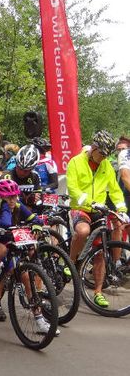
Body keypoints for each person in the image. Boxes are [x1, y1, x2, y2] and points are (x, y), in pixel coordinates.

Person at [0, 179, 57, 333]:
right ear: (0, 197)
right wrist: (5, 207)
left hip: (7, 246)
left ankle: (40, 320)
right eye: (8, 197)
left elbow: (33, 218)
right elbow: (5, 224)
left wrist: (36, 224)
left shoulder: (18, 205)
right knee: (2, 250)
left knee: (26, 280)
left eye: (14, 196)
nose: (12, 200)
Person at [66, 130, 128, 308]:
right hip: (80, 207)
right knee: (83, 231)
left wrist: (121, 208)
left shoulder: (106, 165)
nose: (103, 158)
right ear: (93, 148)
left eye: (107, 155)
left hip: (98, 210)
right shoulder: (76, 162)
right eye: (101, 154)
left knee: (100, 252)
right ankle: (70, 261)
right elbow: (73, 189)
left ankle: (98, 293)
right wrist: (89, 202)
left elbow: (115, 190)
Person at [2, 145, 41, 210]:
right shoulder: (6, 176)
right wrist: (25, 200)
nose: (22, 173)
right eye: (19, 168)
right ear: (16, 164)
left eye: (26, 171)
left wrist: (36, 197)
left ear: (32, 168)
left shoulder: (35, 176)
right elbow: (3, 201)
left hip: (30, 213)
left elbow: (38, 197)